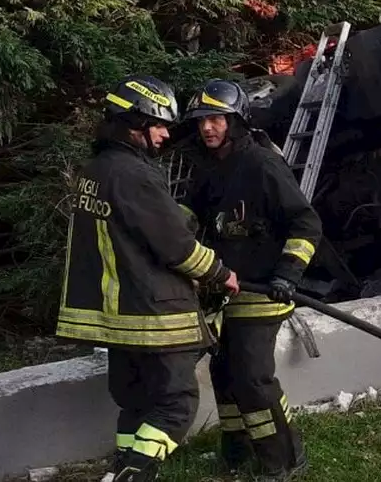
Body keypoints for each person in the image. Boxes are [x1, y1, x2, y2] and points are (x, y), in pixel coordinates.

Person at [56, 75, 240, 482]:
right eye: (158, 125)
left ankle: (122, 465)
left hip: (119, 319)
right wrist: (220, 273)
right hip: (154, 315)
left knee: (135, 403)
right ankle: (134, 475)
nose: (164, 135)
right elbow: (175, 245)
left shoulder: (95, 170)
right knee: (176, 403)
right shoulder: (133, 175)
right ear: (135, 123)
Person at [180, 78, 323, 480]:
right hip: (226, 289)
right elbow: (189, 216)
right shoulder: (209, 167)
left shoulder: (262, 164)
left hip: (264, 289)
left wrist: (288, 273)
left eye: (216, 119)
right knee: (224, 374)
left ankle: (284, 459)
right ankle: (237, 453)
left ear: (237, 120)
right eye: (201, 120)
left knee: (252, 378)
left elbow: (306, 224)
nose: (207, 127)